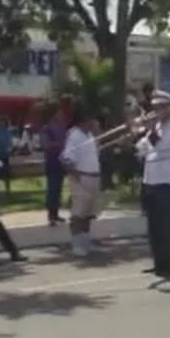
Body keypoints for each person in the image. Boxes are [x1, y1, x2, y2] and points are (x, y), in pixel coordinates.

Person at [135, 90, 170, 278]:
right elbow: (140, 149)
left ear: (169, 108)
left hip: (167, 182)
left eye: (160, 108)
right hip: (151, 181)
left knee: (167, 227)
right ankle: (158, 263)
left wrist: (151, 129)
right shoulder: (156, 128)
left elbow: (160, 146)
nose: (156, 111)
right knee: (154, 227)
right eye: (155, 108)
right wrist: (139, 133)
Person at [60, 106, 105, 257]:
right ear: (84, 119)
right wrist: (75, 176)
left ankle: (85, 242)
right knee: (78, 213)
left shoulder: (90, 135)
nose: (95, 121)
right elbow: (68, 158)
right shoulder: (75, 135)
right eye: (92, 119)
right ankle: (77, 244)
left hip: (93, 177)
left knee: (88, 213)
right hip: (82, 177)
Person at [41, 105, 68, 225]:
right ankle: (51, 215)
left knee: (58, 189)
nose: (61, 115)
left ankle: (56, 213)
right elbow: (46, 144)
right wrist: (60, 144)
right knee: (52, 188)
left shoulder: (62, 129)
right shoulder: (46, 129)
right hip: (52, 162)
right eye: (59, 113)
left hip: (61, 162)